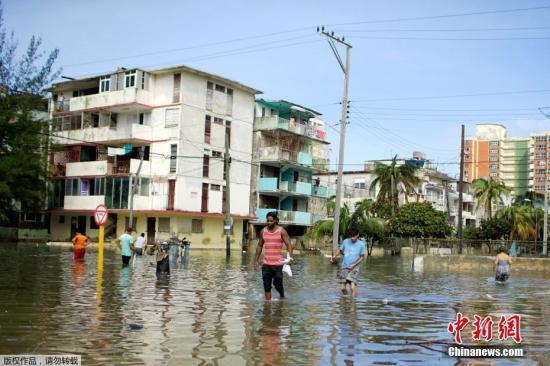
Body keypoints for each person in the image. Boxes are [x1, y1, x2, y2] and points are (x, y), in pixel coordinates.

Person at [254, 212, 293, 300]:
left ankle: (282, 295)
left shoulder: (282, 231)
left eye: (271, 221)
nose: (269, 222)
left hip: (278, 264)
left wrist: (289, 258)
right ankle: (267, 306)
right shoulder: (263, 231)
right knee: (266, 286)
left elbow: (289, 245)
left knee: (278, 282)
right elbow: (260, 245)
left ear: (275, 220)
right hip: (266, 264)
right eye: (267, 221)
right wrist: (256, 260)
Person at [331, 228, 366, 297]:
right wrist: (334, 256)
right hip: (344, 266)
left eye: (354, 236)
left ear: (357, 235)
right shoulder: (345, 241)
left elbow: (362, 257)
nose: (352, 238)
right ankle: (345, 300)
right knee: (343, 288)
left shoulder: (361, 244)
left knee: (352, 288)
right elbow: (340, 250)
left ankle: (352, 304)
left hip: (354, 268)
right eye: (351, 236)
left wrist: (354, 265)